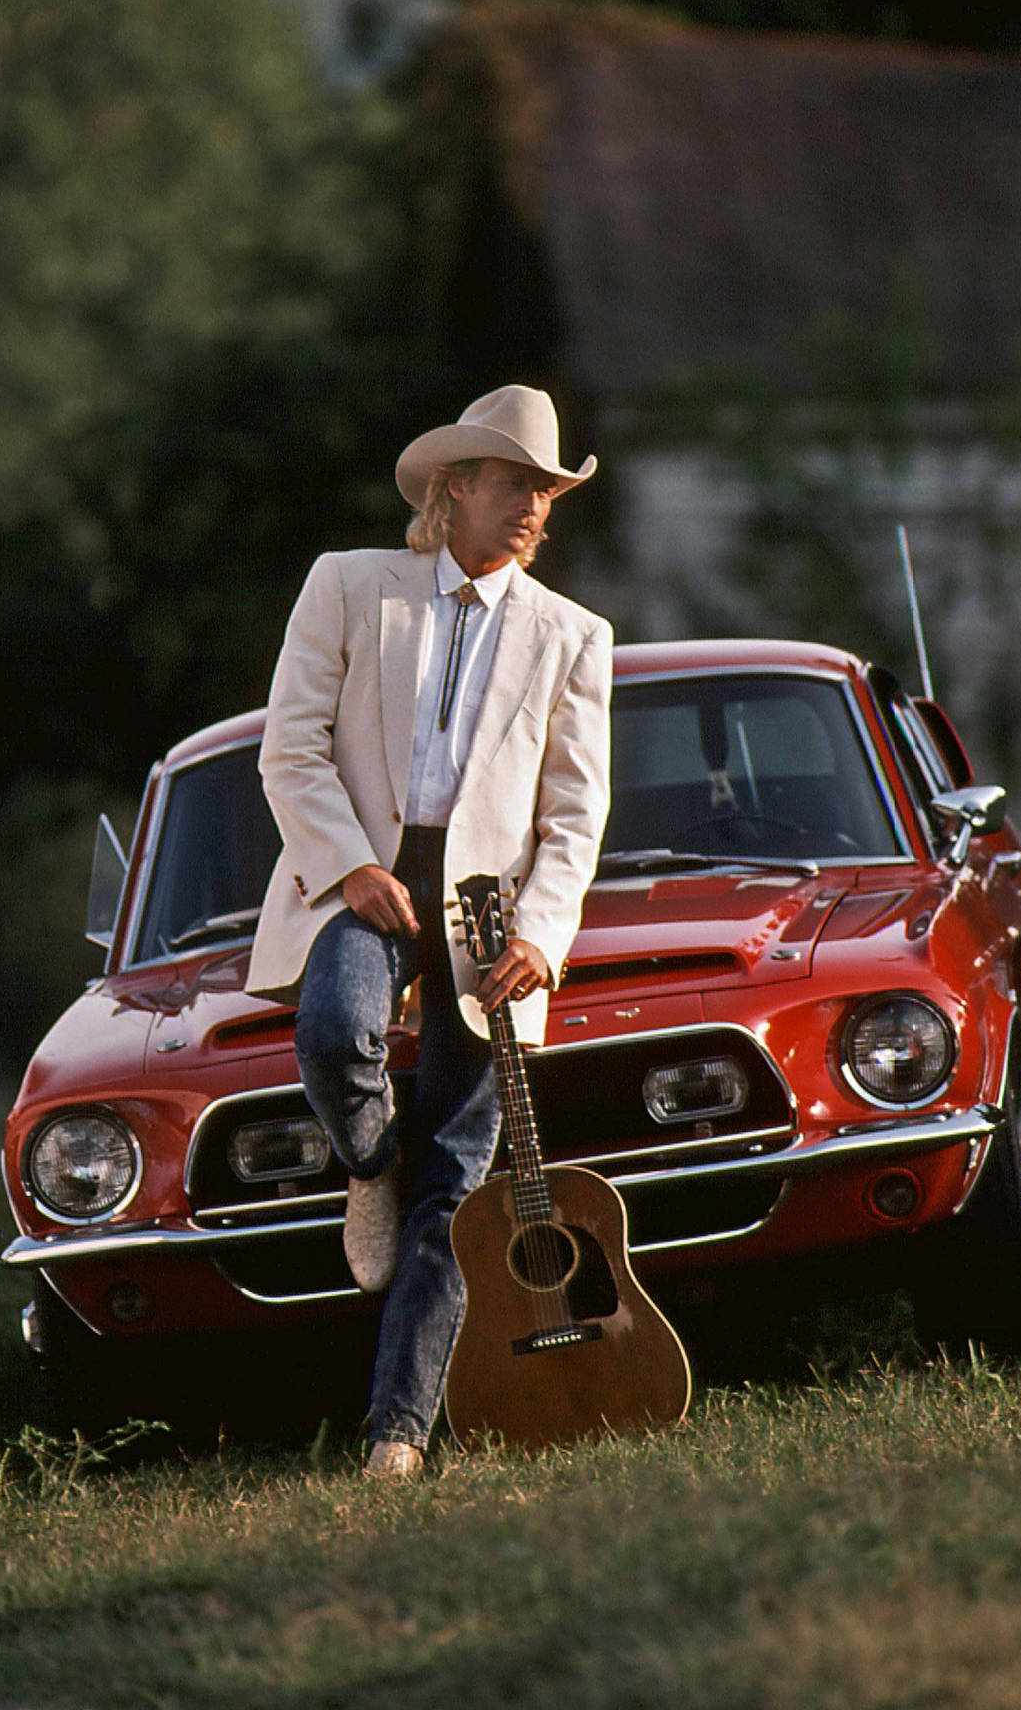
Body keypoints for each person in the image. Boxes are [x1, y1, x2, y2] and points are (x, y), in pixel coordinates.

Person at [246, 384, 612, 1479]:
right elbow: (290, 746)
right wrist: (352, 866)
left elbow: (576, 811)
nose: (536, 508)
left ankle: (396, 1436)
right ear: (455, 488)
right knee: (334, 1033)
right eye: (517, 485)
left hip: (490, 917)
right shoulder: (351, 585)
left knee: (456, 1182)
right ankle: (366, 1161)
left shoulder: (573, 635)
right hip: (356, 874)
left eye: (549, 491)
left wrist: (543, 935)